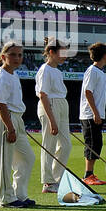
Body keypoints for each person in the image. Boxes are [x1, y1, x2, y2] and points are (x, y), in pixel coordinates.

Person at [0, 41, 35, 208]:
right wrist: (10, 128)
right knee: (5, 161)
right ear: (3, 56)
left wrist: (17, 125)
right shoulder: (1, 75)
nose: (17, 58)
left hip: (15, 118)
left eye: (20, 55)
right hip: (4, 119)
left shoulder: (13, 74)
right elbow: (0, 104)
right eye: (13, 54)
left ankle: (19, 194)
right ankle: (6, 199)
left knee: (27, 158)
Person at [35, 38, 70, 194]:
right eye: (62, 52)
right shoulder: (45, 69)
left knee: (66, 145)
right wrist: (51, 120)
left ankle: (56, 178)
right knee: (49, 145)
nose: (65, 56)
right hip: (50, 105)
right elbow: (43, 95)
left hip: (61, 104)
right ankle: (48, 182)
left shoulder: (57, 70)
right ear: (51, 52)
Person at [79, 43, 106, 186]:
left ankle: (91, 174)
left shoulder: (100, 72)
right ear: (105, 56)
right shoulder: (92, 71)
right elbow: (88, 92)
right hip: (90, 114)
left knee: (97, 144)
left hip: (97, 113)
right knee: (92, 144)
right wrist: (95, 112)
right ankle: (88, 175)